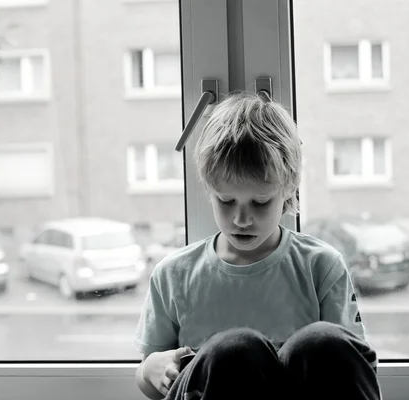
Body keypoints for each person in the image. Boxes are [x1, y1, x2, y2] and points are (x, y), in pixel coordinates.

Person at [134, 91, 381, 400]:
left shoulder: (320, 267)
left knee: (323, 344)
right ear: (210, 191)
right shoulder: (175, 274)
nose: (241, 218)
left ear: (288, 189)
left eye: (260, 202)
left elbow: (350, 369)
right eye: (226, 201)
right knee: (234, 352)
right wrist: (150, 370)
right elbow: (150, 381)